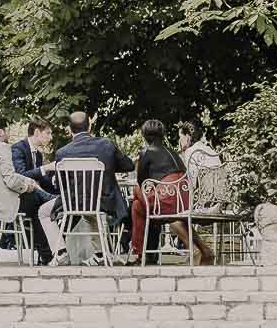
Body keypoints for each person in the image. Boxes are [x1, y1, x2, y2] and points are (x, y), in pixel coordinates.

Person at [0, 112, 66, 265]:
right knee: (38, 203)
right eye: (7, 130)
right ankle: (51, 254)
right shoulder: (2, 148)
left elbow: (7, 177)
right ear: (0, 132)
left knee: (37, 201)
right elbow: (11, 180)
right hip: (3, 203)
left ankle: (51, 255)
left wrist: (28, 183)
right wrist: (26, 186)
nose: (8, 133)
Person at [50, 111, 134, 265]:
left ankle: (66, 252)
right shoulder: (106, 145)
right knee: (94, 209)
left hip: (74, 203)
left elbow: (61, 184)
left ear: (69, 129)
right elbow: (129, 165)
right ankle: (102, 254)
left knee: (47, 211)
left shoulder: (62, 153)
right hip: (105, 201)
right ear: (89, 125)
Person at [129, 120, 215, 266]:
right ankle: (205, 251)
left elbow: (142, 181)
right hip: (184, 195)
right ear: (162, 135)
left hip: (169, 195)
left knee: (136, 196)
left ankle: (138, 253)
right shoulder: (172, 152)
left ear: (144, 135)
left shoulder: (146, 152)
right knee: (137, 206)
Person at [11, 119, 57, 194]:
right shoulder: (18, 148)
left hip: (35, 192)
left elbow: (40, 179)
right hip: (23, 195)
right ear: (37, 132)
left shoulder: (38, 154)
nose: (51, 137)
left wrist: (53, 181)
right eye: (48, 133)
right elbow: (21, 176)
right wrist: (46, 168)